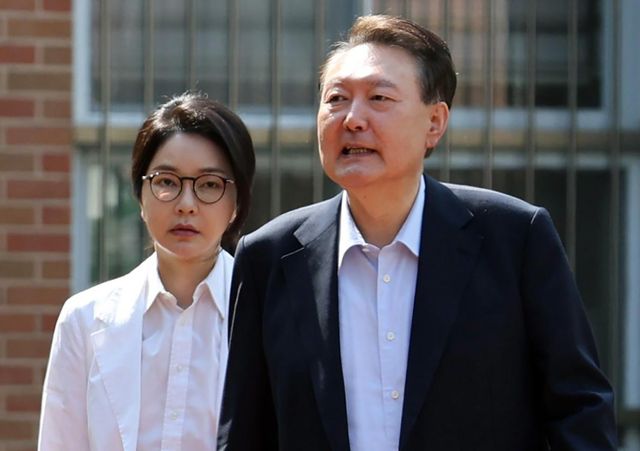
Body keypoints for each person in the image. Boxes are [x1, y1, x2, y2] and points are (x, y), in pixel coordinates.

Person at [218, 14, 616, 451]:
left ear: (435, 123)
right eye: (336, 99)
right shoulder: (269, 257)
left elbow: (579, 410)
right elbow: (244, 432)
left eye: (379, 98)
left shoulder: (515, 238)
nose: (353, 119)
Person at [38, 92, 255, 451]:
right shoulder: (84, 319)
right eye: (167, 181)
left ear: (237, 203)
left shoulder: (267, 314)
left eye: (209, 185)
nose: (186, 205)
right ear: (141, 195)